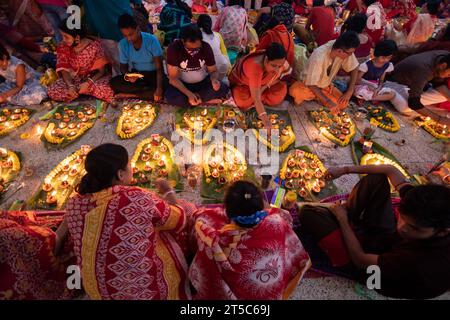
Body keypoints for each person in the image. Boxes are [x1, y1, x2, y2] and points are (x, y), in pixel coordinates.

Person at [299, 164, 450, 299]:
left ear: (442, 232)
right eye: (402, 217)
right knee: (376, 180)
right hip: (389, 244)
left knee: (308, 213)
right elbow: (390, 170)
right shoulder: (422, 207)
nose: (402, 227)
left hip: (375, 275)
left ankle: (347, 223)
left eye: (414, 228)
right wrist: (344, 170)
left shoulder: (424, 263)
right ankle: (350, 221)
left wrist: (342, 220)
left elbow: (360, 259)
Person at [63, 143, 191, 300]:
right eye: (129, 164)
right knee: (179, 224)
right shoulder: (135, 197)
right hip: (143, 291)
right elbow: (179, 220)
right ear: (120, 175)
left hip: (97, 291)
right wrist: (167, 191)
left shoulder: (74, 203)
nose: (132, 168)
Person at [189, 180, 311, 300]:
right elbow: (285, 217)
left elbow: (198, 223)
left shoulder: (220, 242)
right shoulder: (277, 221)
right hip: (273, 291)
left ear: (227, 211)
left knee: (202, 222)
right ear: (261, 206)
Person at [289, 31, 360, 111]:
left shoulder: (344, 49)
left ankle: (318, 97)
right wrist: (326, 101)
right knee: (296, 92)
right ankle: (318, 97)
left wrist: (350, 91)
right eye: (349, 53)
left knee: (343, 104)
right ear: (340, 51)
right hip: (309, 86)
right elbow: (311, 85)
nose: (351, 55)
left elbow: (355, 67)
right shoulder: (319, 55)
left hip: (325, 87)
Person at [47, 19, 114, 103]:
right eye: (62, 36)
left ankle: (80, 93)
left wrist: (87, 83)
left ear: (77, 38)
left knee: (106, 89)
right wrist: (70, 86)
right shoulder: (62, 46)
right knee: (52, 90)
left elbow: (102, 71)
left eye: (66, 37)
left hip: (93, 79)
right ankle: (78, 93)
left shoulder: (94, 46)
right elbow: (63, 69)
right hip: (74, 79)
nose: (63, 39)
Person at [164, 24, 229, 108]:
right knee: (172, 97)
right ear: (183, 41)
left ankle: (194, 101)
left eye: (197, 48)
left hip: (202, 83)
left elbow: (213, 71)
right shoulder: (174, 48)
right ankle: (201, 100)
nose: (194, 51)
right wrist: (189, 94)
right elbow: (173, 78)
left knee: (223, 88)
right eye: (191, 49)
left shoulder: (206, 47)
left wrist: (214, 79)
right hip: (183, 85)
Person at [229, 43, 290, 125]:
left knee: (281, 91)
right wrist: (266, 121)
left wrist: (263, 87)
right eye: (274, 66)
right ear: (266, 60)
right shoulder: (255, 67)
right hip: (245, 85)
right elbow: (256, 99)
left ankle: (258, 101)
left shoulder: (278, 60)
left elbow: (284, 75)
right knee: (242, 101)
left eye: (279, 66)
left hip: (262, 86)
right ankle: (259, 102)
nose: (276, 70)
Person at [110, 14, 165, 101]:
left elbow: (159, 68)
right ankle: (141, 93)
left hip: (153, 74)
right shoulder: (123, 44)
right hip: (137, 75)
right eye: (125, 36)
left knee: (163, 89)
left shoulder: (151, 41)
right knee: (114, 83)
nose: (129, 39)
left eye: (131, 34)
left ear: (138, 29)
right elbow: (123, 67)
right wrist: (128, 75)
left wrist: (159, 88)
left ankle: (131, 95)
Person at [389, 50, 450, 125]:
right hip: (395, 84)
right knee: (404, 107)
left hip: (415, 84)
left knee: (444, 96)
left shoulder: (444, 56)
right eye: (449, 74)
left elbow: (438, 81)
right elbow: (413, 103)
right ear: (443, 66)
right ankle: (393, 95)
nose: (449, 76)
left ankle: (423, 108)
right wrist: (440, 119)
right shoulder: (424, 69)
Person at [354, 40, 407, 109]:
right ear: (377, 54)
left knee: (392, 94)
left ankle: (369, 97)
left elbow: (381, 80)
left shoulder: (387, 66)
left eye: (389, 58)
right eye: (383, 57)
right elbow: (357, 80)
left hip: (375, 86)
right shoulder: (366, 65)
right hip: (363, 85)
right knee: (359, 91)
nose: (386, 60)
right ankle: (369, 97)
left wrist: (378, 89)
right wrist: (369, 86)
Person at [197, 14, 231, 80]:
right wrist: (229, 70)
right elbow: (225, 54)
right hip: (223, 68)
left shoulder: (196, 36)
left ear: (197, 24)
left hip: (208, 72)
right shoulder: (217, 35)